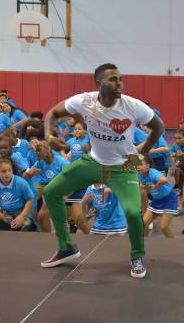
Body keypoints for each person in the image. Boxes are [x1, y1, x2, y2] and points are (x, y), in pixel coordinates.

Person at [39, 63, 163, 279]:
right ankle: (66, 246)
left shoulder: (132, 106)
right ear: (98, 83)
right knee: (50, 192)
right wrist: (49, 136)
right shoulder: (84, 101)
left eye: (120, 78)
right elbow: (52, 113)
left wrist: (140, 154)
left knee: (133, 212)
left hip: (123, 167)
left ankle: (136, 256)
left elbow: (158, 127)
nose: (119, 83)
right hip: (93, 162)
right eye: (113, 79)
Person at [0, 159, 35, 231]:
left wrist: (22, 216)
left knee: (26, 228)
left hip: (21, 212)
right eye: (3, 171)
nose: (7, 173)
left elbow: (30, 199)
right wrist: (2, 217)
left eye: (9, 170)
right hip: (5, 213)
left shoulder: (21, 183)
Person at [139, 159, 178, 238]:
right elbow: (144, 188)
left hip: (168, 200)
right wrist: (143, 188)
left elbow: (163, 180)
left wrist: (155, 187)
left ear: (147, 165)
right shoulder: (141, 175)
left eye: (140, 164)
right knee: (144, 223)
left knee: (164, 227)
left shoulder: (153, 173)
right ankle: (144, 245)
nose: (137, 166)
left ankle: (174, 245)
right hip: (156, 201)